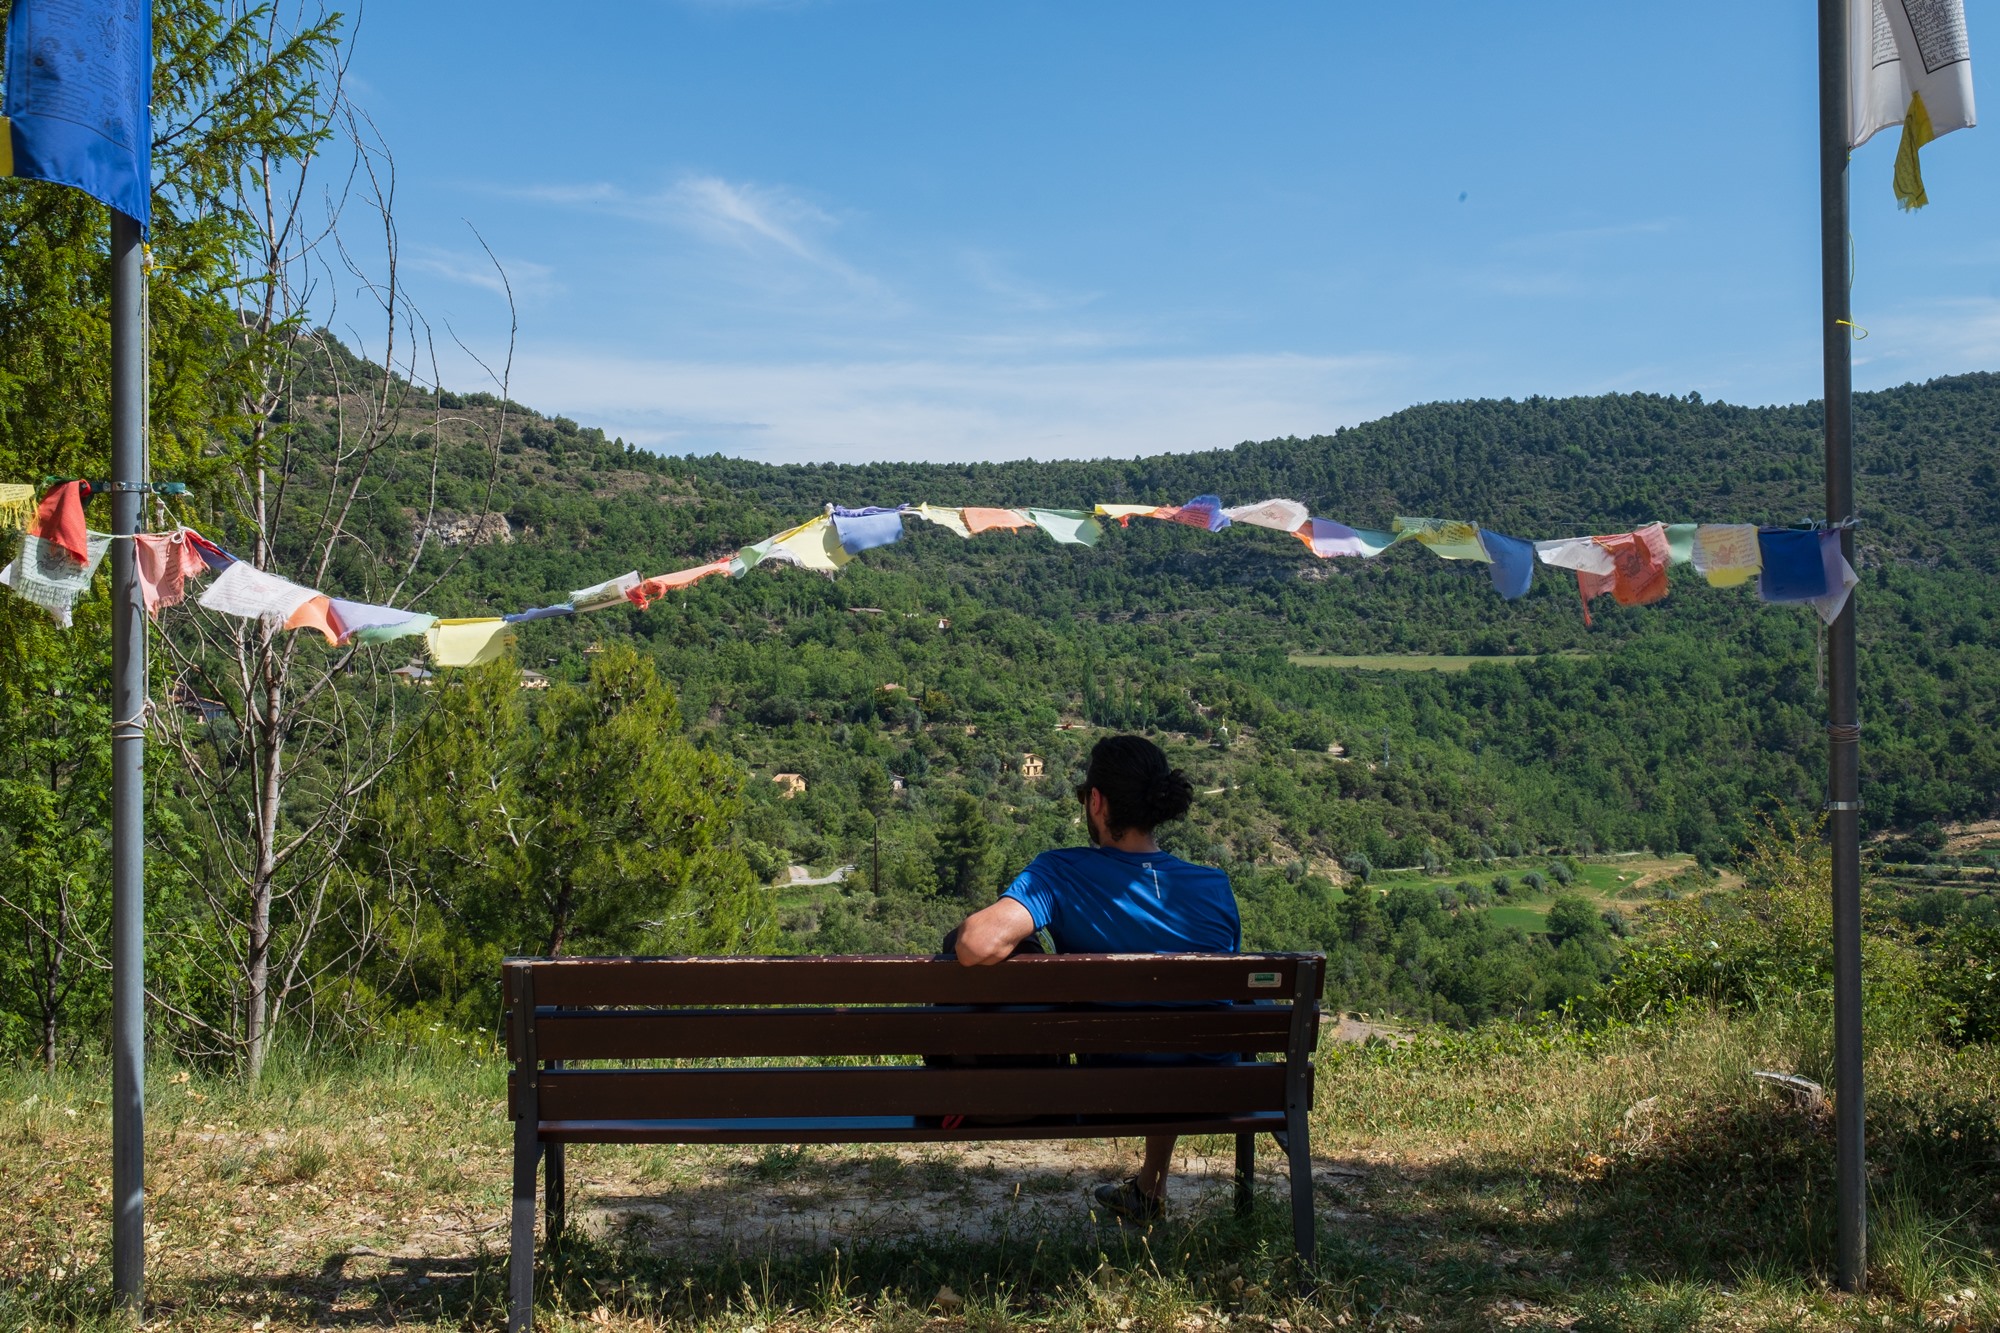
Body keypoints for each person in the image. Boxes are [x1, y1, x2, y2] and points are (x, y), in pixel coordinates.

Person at [953, 734, 1240, 1222]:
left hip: (1108, 1082)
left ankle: (1147, 1189)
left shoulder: (1061, 872)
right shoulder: (1214, 888)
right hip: (1211, 1084)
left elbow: (975, 945)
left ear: (1097, 801)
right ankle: (1150, 1189)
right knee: (1174, 1028)